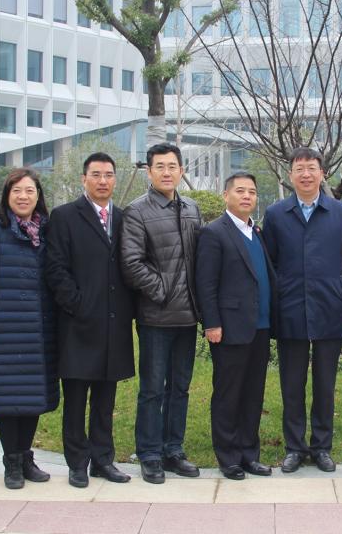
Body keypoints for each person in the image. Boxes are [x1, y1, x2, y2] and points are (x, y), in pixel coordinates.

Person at [263, 147, 342, 473]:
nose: (305, 174)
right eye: (299, 169)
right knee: (291, 386)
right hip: (290, 310)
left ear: (322, 173)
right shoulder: (276, 214)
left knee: (325, 385)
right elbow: (269, 261)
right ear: (290, 175)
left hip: (329, 308)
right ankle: (294, 447)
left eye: (311, 168)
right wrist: (279, 293)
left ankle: (321, 447)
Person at [45, 152, 136, 488]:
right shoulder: (65, 216)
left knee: (105, 400)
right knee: (76, 399)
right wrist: (78, 304)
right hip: (78, 323)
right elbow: (55, 268)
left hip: (114, 324)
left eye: (108, 175)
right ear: (84, 179)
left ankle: (103, 459)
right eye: (96, 174)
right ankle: (77, 463)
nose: (103, 181)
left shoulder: (124, 218)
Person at [0, 168, 58, 489]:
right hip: (5, 331)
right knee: (8, 397)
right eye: (17, 191)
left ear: (38, 196)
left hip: (39, 331)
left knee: (32, 396)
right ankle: (11, 462)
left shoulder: (47, 231)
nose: (23, 196)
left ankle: (25, 457)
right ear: (7, 196)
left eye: (29, 191)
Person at [121, 143, 202, 484]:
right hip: (156, 316)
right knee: (153, 389)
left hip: (189, 316)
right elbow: (131, 263)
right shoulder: (137, 211)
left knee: (180, 388)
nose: (167, 172)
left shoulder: (192, 208)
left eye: (172, 166)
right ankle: (150, 453)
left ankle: (173, 450)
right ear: (149, 171)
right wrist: (164, 291)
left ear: (181, 170)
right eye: (160, 167)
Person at [194, 172, 277, 481]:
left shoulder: (257, 231)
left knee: (253, 394)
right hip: (229, 328)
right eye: (240, 191)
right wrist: (212, 323)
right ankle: (228, 457)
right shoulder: (214, 232)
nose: (246, 196)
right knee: (228, 394)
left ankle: (249, 454)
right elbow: (206, 283)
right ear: (225, 195)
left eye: (251, 192)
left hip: (260, 326)